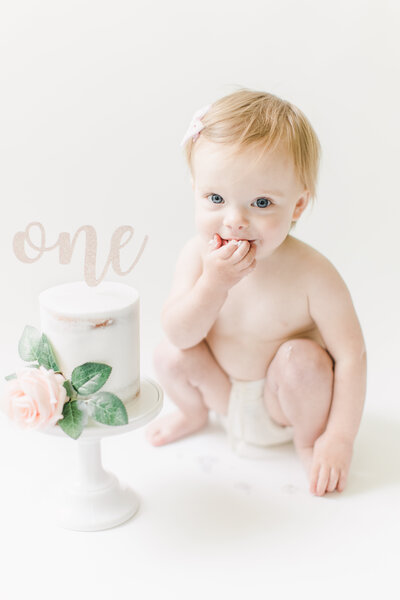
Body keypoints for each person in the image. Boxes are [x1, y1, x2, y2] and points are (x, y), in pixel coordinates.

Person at [146, 89, 367, 497]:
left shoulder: (314, 274)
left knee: (301, 359)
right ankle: (194, 414)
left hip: (284, 403)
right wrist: (213, 284)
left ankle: (308, 441)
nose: (234, 221)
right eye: (215, 198)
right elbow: (180, 334)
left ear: (298, 206)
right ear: (195, 188)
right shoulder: (196, 256)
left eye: (261, 202)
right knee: (167, 353)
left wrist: (339, 437)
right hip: (222, 393)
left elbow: (352, 356)